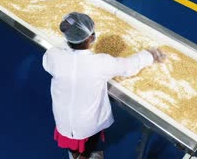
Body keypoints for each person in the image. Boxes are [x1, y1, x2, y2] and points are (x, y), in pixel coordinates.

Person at [42, 12, 165, 159]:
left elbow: (50, 64)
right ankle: (84, 157)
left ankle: (74, 155)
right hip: (87, 123)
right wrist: (150, 55)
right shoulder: (101, 63)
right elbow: (128, 66)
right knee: (89, 144)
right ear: (90, 38)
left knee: (72, 143)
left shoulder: (53, 55)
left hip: (63, 120)